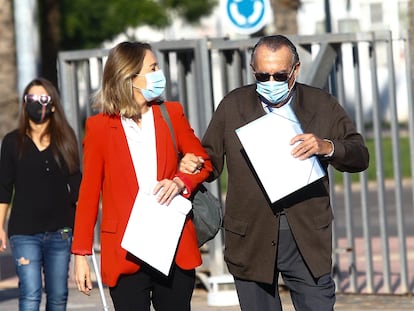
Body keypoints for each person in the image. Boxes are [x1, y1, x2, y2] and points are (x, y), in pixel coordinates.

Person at [182, 35, 369, 310]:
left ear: (295, 69)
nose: (271, 83)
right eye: (263, 75)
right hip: (250, 237)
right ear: (252, 69)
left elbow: (359, 155)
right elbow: (209, 159)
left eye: (280, 75)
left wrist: (326, 146)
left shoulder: (321, 104)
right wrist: (192, 162)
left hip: (306, 237)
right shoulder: (233, 105)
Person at [71, 41, 213, 311]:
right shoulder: (99, 127)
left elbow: (204, 162)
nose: (160, 74)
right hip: (126, 252)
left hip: (173, 246)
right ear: (129, 76)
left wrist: (181, 181)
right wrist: (81, 254)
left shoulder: (170, 113)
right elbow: (88, 194)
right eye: (153, 68)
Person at [0, 77, 82, 310]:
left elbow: (76, 183)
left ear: (53, 104)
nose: (38, 103)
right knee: (30, 294)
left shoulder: (65, 140)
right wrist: (0, 226)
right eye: (32, 98)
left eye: (43, 98)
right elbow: (3, 187)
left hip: (60, 233)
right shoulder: (12, 142)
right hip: (24, 233)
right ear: (25, 104)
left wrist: (83, 224)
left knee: (58, 296)